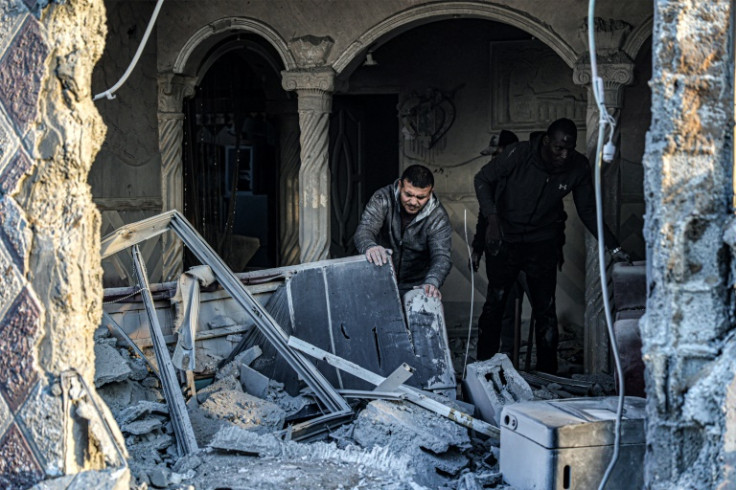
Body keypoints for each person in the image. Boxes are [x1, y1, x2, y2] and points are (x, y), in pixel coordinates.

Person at [474, 118, 629, 374]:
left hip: (541, 244)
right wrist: (492, 219)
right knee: (495, 304)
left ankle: (547, 375)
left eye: (570, 148)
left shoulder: (578, 166)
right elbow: (482, 179)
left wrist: (613, 247)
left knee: (545, 311)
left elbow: (588, 210)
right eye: (559, 148)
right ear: (547, 141)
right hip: (506, 240)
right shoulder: (519, 153)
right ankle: (482, 370)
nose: (564, 154)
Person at [354, 164, 452, 299]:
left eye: (420, 197)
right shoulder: (382, 198)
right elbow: (365, 229)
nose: (413, 202)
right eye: (408, 194)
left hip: (416, 286)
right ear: (400, 185)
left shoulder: (438, 216)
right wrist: (370, 246)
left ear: (430, 193)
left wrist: (432, 282)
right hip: (378, 279)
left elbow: (441, 256)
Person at [470, 130, 520, 357]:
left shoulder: (525, 175)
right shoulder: (491, 179)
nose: (494, 159)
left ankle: (536, 369)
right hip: (500, 252)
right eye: (492, 155)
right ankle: (502, 356)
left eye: (498, 153)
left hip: (529, 251)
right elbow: (484, 218)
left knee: (542, 310)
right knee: (503, 306)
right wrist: (477, 249)